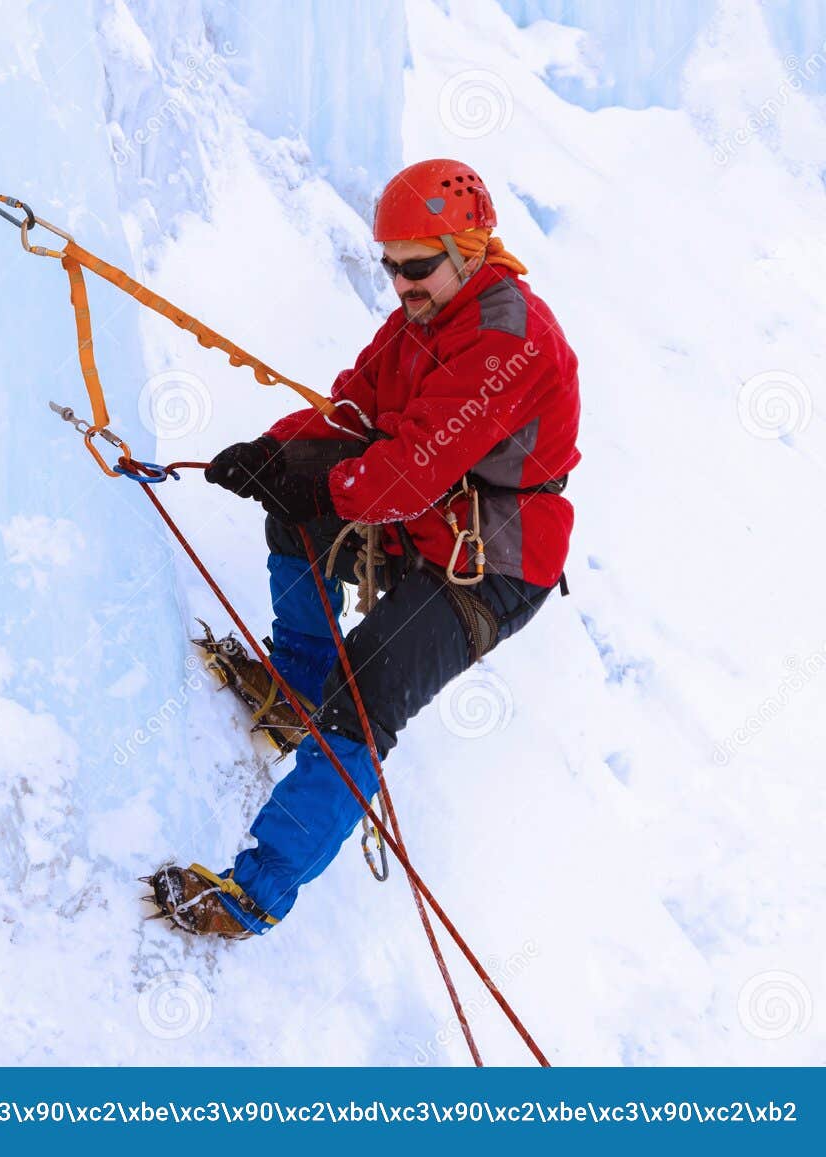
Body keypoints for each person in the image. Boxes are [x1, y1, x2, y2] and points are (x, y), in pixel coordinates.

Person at [150, 159, 581, 939]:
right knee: (297, 507)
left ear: (471, 247)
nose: (401, 284)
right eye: (390, 266)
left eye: (416, 267)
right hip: (427, 527)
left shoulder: (506, 339)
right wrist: (272, 453)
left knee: (369, 684)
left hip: (494, 564)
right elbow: (354, 409)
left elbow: (413, 468)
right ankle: (294, 690)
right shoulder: (424, 319)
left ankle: (255, 893)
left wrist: (321, 486)